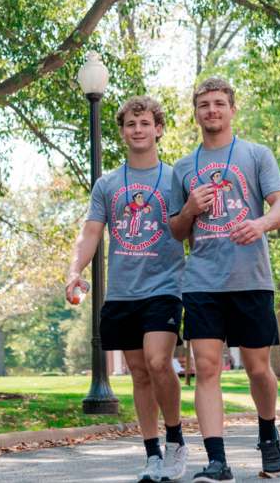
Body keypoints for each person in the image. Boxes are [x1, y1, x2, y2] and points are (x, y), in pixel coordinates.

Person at [169, 77, 280, 482]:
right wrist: (188, 208)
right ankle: (218, 461)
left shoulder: (256, 155)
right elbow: (176, 231)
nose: (212, 111)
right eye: (204, 105)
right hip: (202, 281)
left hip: (250, 278)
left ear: (232, 109)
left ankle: (267, 429)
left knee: (258, 368)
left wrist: (259, 224)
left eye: (219, 103)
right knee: (206, 368)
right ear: (196, 112)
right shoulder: (185, 168)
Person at [66, 96, 188, 483]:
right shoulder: (108, 184)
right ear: (122, 132)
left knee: (157, 362)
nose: (138, 129)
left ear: (159, 129)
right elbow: (90, 234)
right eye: (131, 124)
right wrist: (73, 271)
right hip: (122, 291)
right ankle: (152, 454)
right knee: (138, 373)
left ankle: (176, 440)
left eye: (145, 123)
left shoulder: (175, 178)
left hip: (166, 285)